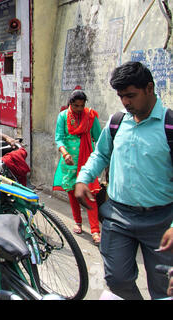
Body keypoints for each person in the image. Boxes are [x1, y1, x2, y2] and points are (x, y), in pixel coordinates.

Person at [75, 61, 173, 300]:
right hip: (118, 216)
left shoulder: (169, 125)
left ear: (149, 88)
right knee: (116, 280)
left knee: (164, 289)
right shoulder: (117, 121)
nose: (126, 102)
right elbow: (100, 154)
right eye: (121, 97)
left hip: (162, 220)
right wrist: (83, 179)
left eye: (131, 95)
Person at [52, 89, 102, 245]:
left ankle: (95, 230)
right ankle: (78, 222)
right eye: (76, 106)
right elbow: (59, 138)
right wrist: (65, 154)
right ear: (70, 104)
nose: (79, 109)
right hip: (69, 162)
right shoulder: (62, 116)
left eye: (82, 105)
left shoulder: (91, 116)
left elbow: (99, 139)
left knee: (91, 194)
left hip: (87, 162)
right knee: (72, 193)